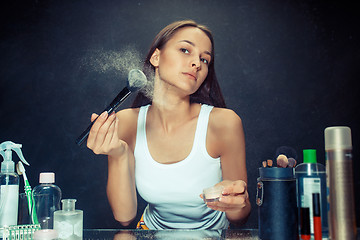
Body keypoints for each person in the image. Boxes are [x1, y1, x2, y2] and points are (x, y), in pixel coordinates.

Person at [87, 20, 251, 229]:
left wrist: (238, 201)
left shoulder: (224, 123)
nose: (197, 63)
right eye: (185, 50)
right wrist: (119, 153)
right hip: (150, 233)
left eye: (205, 59)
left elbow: (240, 217)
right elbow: (124, 216)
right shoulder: (127, 122)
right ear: (156, 57)